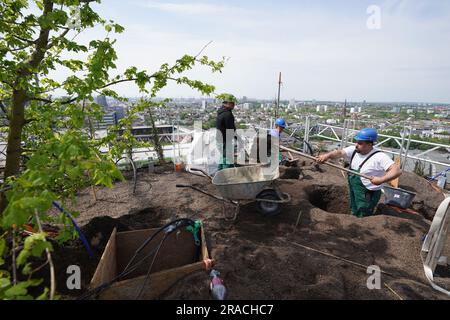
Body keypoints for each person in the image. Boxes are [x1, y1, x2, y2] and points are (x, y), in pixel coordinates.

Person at [317, 128, 402, 218]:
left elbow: (397, 170)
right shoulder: (354, 150)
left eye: (360, 143)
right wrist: (327, 156)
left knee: (363, 211)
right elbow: (339, 153)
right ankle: (354, 217)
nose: (356, 145)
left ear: (369, 144)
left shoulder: (379, 156)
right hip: (354, 186)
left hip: (368, 192)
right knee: (354, 206)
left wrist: (381, 179)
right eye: (356, 142)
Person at [215, 93, 238, 171]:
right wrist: (238, 138)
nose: (234, 105)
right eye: (232, 103)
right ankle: (226, 179)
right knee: (227, 162)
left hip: (219, 140)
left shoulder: (220, 112)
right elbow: (231, 129)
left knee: (223, 159)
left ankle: (218, 175)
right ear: (227, 103)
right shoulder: (228, 114)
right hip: (224, 140)